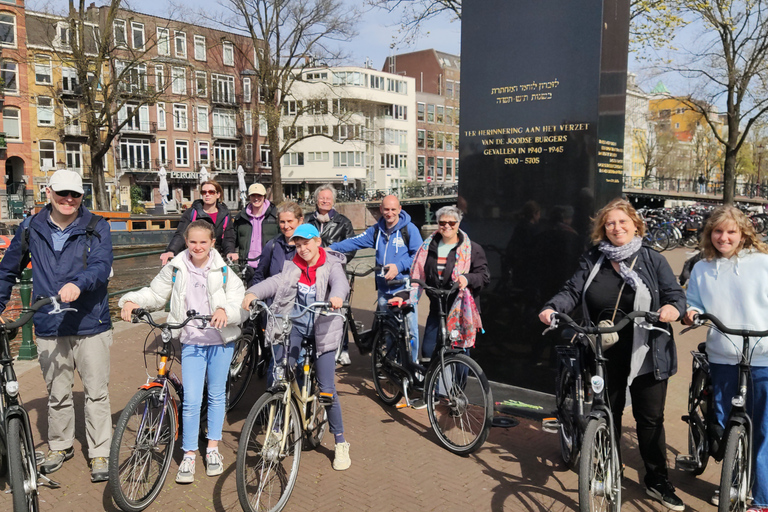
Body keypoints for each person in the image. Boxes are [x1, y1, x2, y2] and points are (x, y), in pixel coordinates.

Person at [538, 198, 686, 511]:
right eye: (610, 224)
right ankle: (609, 468)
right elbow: (573, 290)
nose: (616, 228)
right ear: (603, 229)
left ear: (635, 225)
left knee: (650, 419)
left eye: (622, 222)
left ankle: (657, 480)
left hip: (647, 350)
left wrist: (672, 308)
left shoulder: (651, 259)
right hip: (604, 350)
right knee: (608, 411)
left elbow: (674, 294)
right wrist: (553, 307)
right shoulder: (593, 258)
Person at [0, 169, 113, 482]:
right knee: (57, 392)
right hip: (50, 322)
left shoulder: (96, 226)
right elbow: (7, 270)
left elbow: (103, 266)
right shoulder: (30, 227)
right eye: (62, 193)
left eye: (75, 195)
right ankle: (61, 445)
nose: (68, 200)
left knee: (96, 392)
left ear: (81, 196)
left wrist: (79, 283)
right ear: (48, 192)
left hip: (91, 321)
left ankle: (100, 450)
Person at [119, 220, 245, 484]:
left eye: (203, 242)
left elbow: (238, 302)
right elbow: (155, 294)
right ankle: (189, 453)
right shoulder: (176, 268)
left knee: (216, 394)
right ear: (186, 242)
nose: (197, 247)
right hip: (191, 340)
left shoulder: (224, 271)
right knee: (191, 400)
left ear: (212, 243)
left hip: (221, 341)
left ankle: (212, 448)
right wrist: (131, 300)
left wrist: (225, 311)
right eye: (192, 242)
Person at [242, 224, 351, 470]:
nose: (302, 249)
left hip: (323, 329)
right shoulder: (293, 266)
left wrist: (337, 297)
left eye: (306, 243)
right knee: (281, 374)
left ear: (318, 242)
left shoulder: (331, 264)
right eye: (298, 245)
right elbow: (274, 282)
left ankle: (341, 442)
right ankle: (277, 431)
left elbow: (340, 284)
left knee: (326, 389)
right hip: (296, 328)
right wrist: (252, 293)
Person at [684, 206, 768, 512]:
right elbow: (693, 302)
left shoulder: (762, 263)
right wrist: (691, 313)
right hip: (722, 354)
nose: (724, 237)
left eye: (731, 231)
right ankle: (731, 481)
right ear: (709, 234)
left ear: (743, 234)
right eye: (718, 231)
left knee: (763, 430)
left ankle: (762, 499)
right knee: (723, 424)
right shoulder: (702, 268)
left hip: (764, 356)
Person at [329, 195, 423, 363]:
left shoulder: (409, 230)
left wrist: (399, 266)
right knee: (387, 330)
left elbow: (418, 256)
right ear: (381, 209)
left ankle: (412, 365)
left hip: (404, 288)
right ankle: (390, 364)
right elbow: (353, 242)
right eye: (386, 209)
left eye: (393, 209)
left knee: (410, 330)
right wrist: (328, 249)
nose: (390, 213)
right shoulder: (376, 231)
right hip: (383, 289)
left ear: (400, 209)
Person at [410, 206, 489, 362]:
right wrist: (407, 295)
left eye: (451, 223)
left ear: (458, 224)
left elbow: (484, 277)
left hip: (460, 310)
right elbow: (417, 275)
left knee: (459, 353)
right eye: (442, 222)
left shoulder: (473, 248)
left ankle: (457, 386)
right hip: (436, 307)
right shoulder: (427, 247)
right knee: (428, 351)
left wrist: (467, 279)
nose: (447, 226)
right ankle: (432, 385)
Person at [304, 184, 356, 365]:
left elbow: (350, 249)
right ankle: (314, 347)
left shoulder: (343, 222)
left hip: (335, 274)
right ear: (316, 200)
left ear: (333, 201)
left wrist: (332, 260)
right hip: (311, 273)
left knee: (339, 312)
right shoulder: (307, 221)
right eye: (322, 198)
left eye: (328, 198)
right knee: (313, 309)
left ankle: (343, 349)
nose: (325, 201)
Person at [160, 180, 235, 266]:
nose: (207, 194)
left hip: (215, 259)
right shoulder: (191, 213)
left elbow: (228, 237)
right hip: (193, 258)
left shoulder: (225, 214)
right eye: (204, 192)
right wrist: (171, 251)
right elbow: (181, 234)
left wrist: (230, 252)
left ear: (218, 195)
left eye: (211, 192)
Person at [230, 183, 279, 283]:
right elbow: (232, 238)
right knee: (250, 296)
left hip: (269, 266)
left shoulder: (275, 216)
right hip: (248, 266)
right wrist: (231, 251)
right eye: (253, 195)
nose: (256, 198)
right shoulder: (241, 217)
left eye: (259, 195)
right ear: (249, 197)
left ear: (264, 197)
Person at [251, 201, 303, 285]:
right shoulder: (272, 245)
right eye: (282, 222)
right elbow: (259, 276)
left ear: (300, 220)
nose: (286, 226)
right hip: (275, 296)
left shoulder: (309, 247)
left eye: (290, 221)